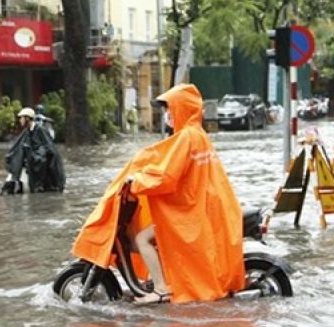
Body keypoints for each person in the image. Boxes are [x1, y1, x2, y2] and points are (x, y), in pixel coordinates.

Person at [71, 83, 245, 305]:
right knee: (149, 238)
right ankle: (163, 280)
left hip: (190, 213)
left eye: (169, 109)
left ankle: (162, 289)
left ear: (181, 109)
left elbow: (166, 177)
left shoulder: (186, 137)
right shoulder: (198, 135)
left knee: (142, 238)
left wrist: (138, 181)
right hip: (199, 209)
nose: (167, 116)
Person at [1, 107, 65, 194]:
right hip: (30, 166)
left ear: (27, 118)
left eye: (21, 118)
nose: (20, 120)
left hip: (43, 167)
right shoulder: (26, 132)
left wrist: (35, 155)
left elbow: (49, 149)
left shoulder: (40, 130)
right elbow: (18, 147)